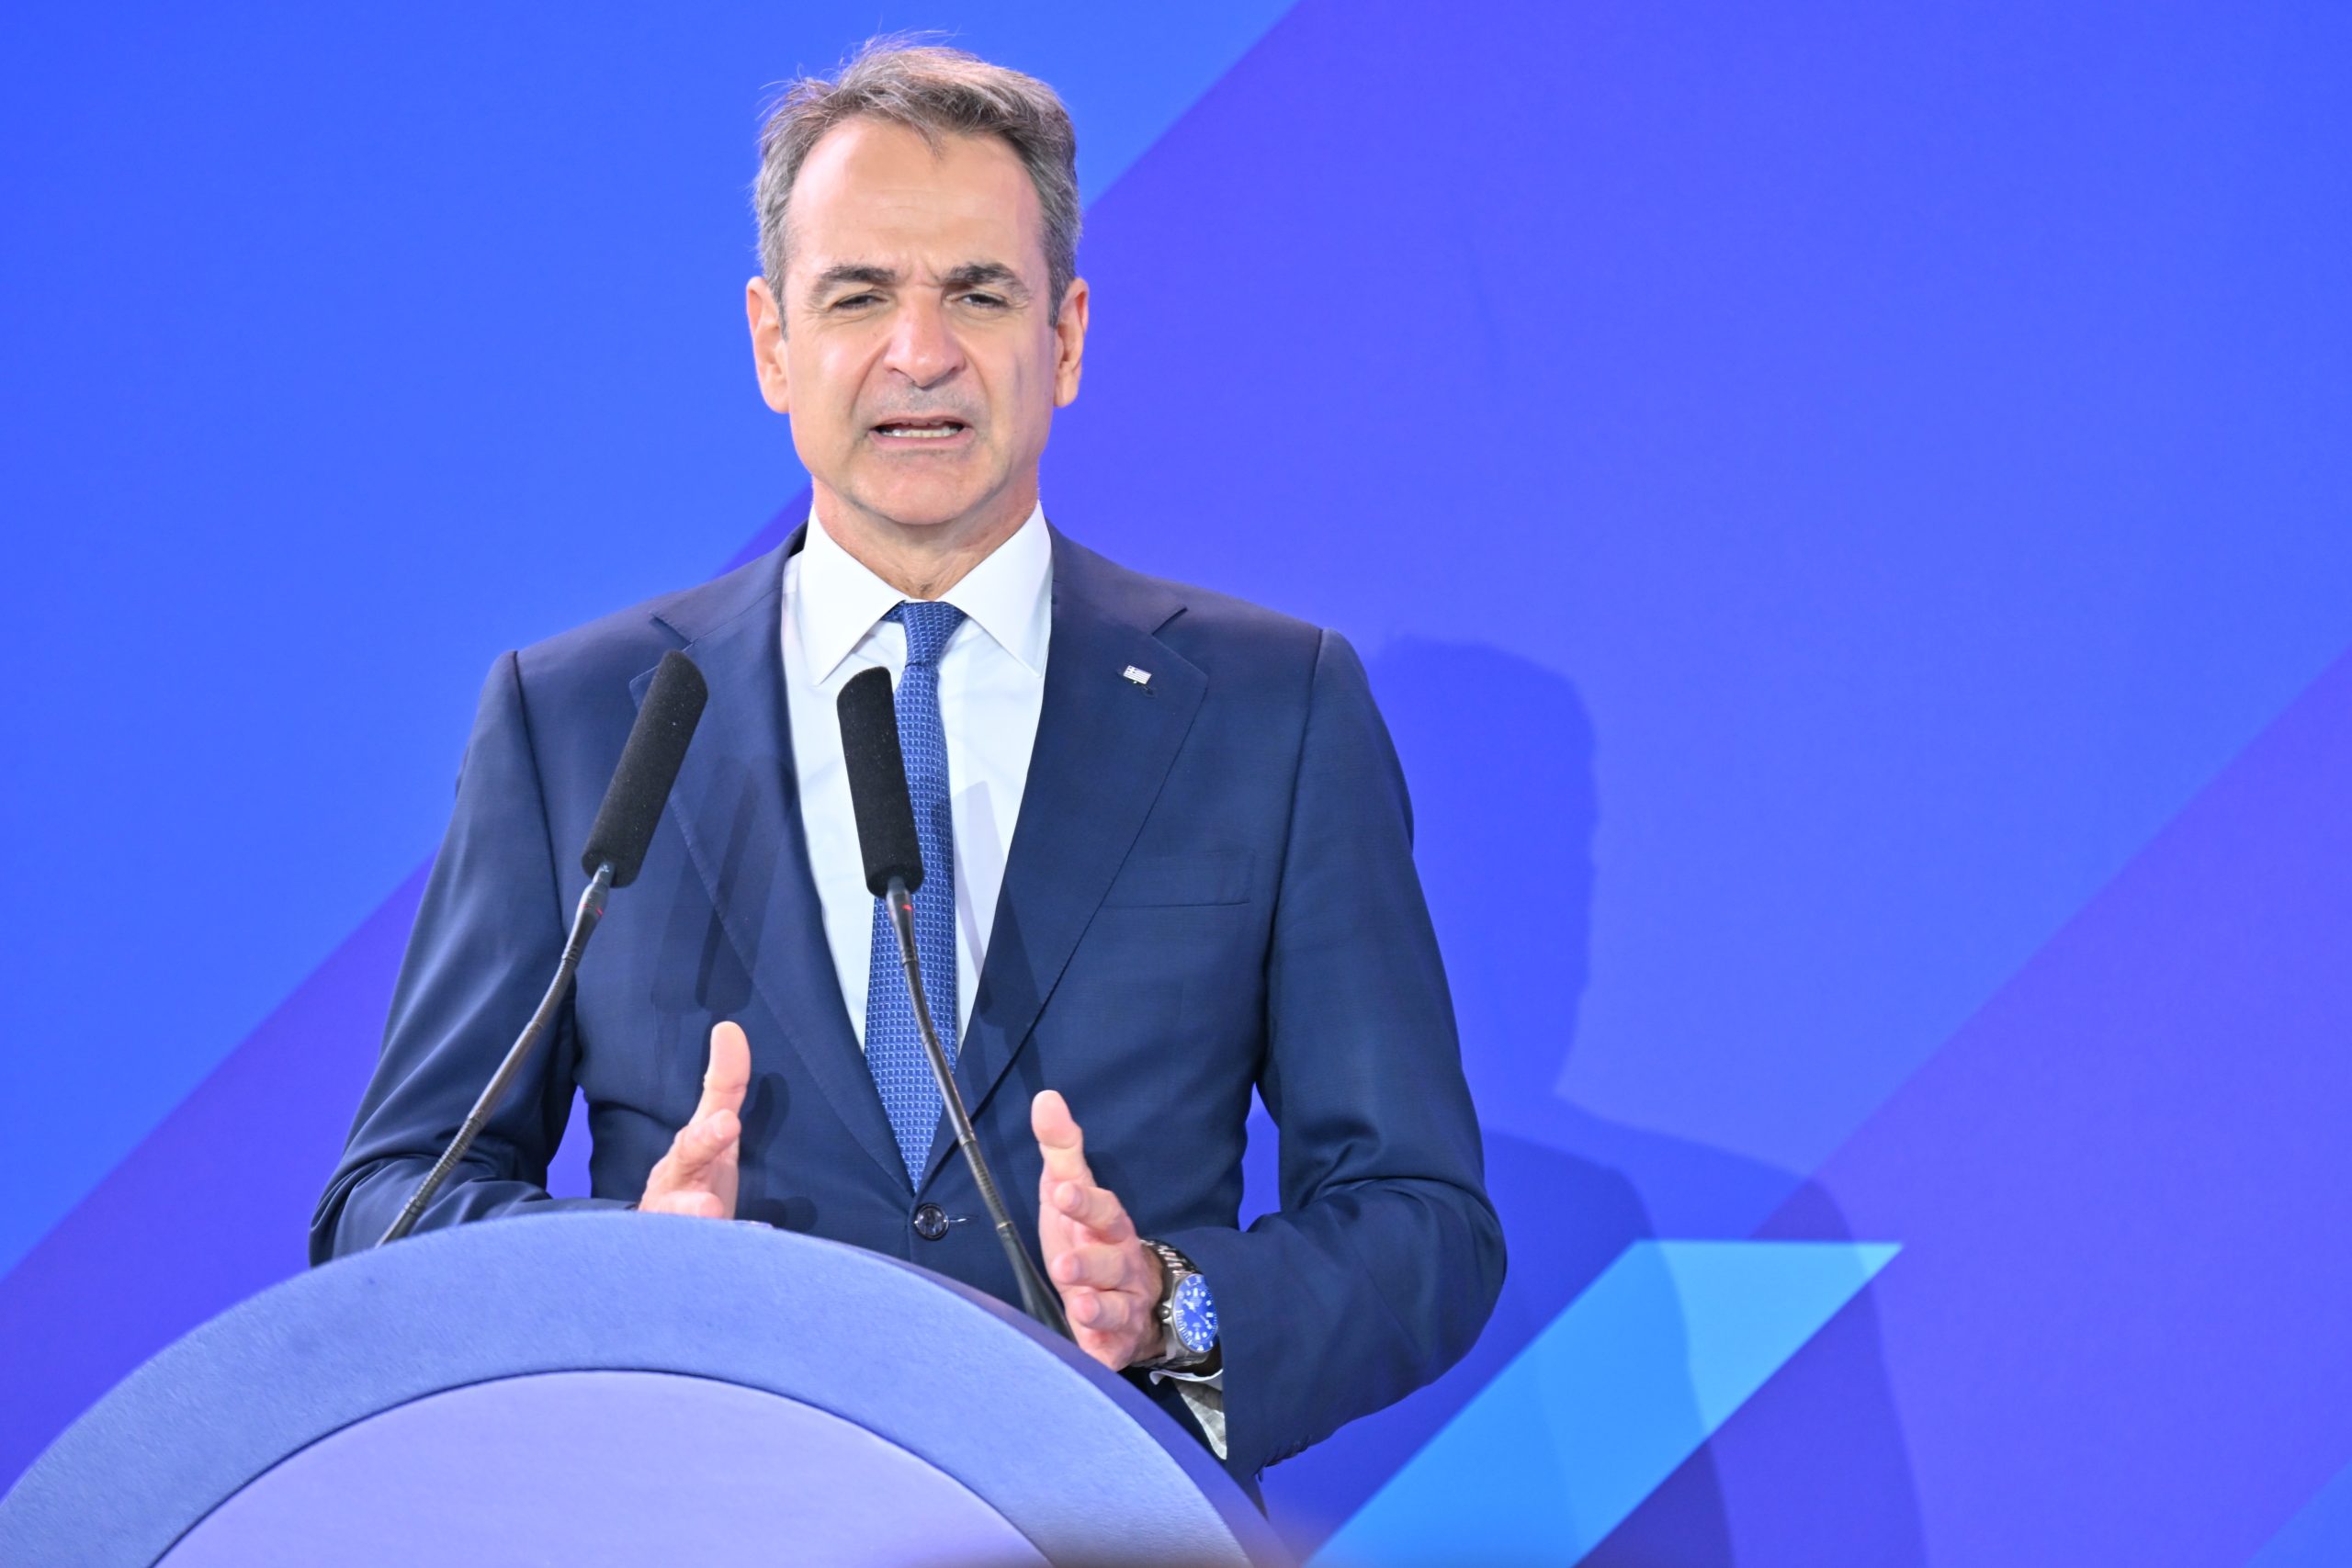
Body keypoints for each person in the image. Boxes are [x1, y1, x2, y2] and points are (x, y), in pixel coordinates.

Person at [311, 38, 1503, 1493]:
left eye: (978, 294)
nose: (920, 353)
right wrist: (619, 1276)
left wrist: (1173, 1308)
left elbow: (1421, 1221)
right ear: (772, 342)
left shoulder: (1272, 711)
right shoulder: (577, 722)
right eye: (859, 294)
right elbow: (385, 1206)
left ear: (1066, 336)